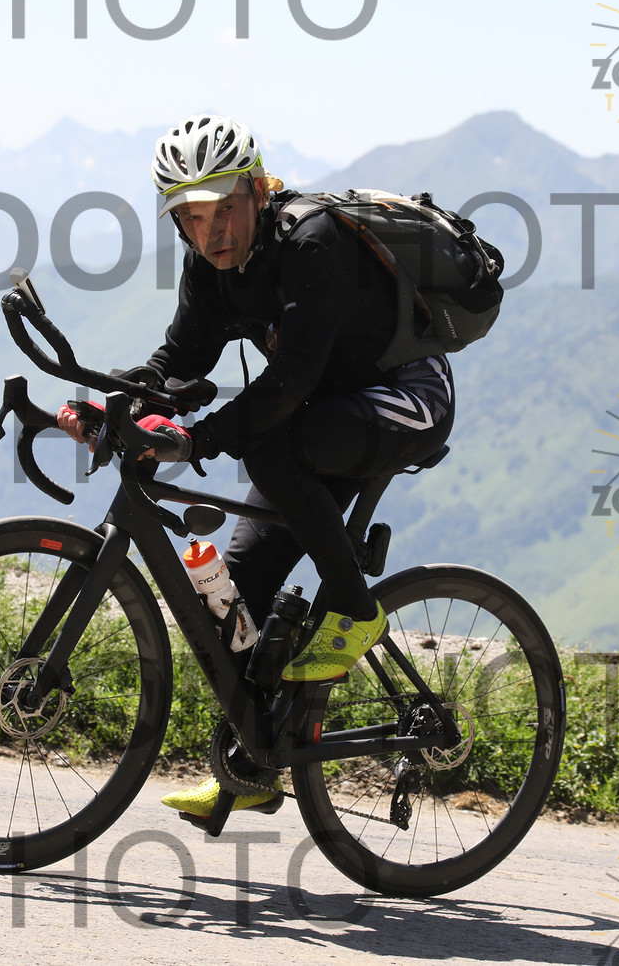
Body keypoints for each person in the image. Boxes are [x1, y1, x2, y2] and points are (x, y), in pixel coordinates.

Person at [57, 113, 455, 818]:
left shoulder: (311, 242)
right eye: (191, 217)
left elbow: (290, 381)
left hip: (407, 399)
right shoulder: (209, 267)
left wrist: (197, 440)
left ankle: (355, 611)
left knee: (268, 442)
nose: (211, 233)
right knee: (231, 595)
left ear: (257, 190)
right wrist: (110, 402)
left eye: (224, 210)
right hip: (320, 419)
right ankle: (254, 763)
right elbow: (179, 359)